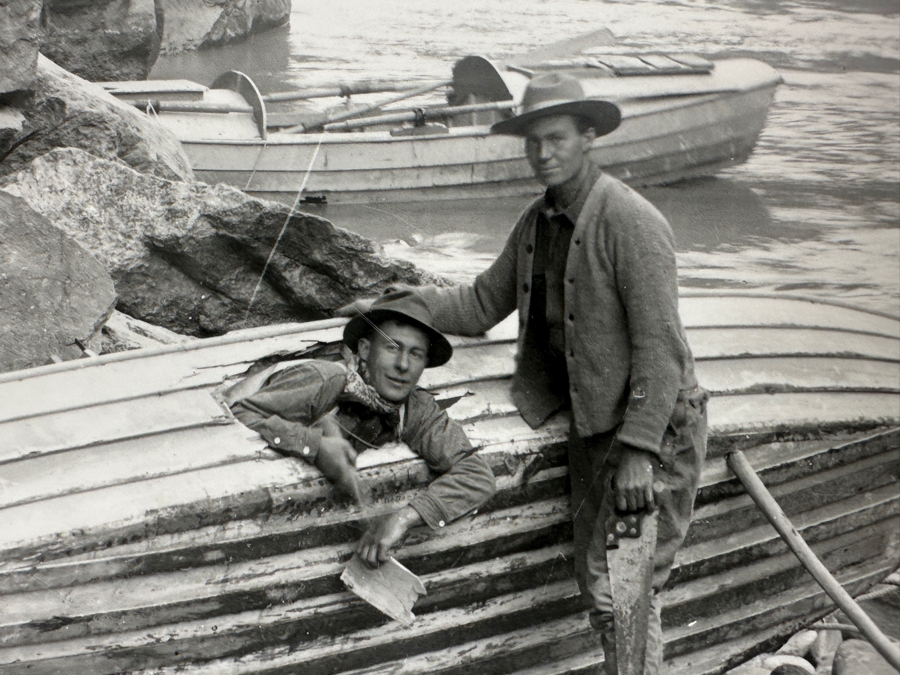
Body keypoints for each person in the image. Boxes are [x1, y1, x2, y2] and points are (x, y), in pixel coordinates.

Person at [339, 72, 708, 674]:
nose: (544, 153)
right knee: (605, 586)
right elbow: (482, 303)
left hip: (654, 436)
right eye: (533, 141)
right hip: (597, 432)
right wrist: (397, 306)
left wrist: (640, 450)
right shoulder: (538, 222)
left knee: (624, 591)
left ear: (588, 136)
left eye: (557, 137)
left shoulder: (633, 223)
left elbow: (661, 352)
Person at [229, 290, 496, 568]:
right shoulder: (324, 380)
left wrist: (404, 517)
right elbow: (241, 412)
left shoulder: (414, 407)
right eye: (392, 347)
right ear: (366, 350)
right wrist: (315, 445)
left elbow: (477, 475)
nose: (403, 365)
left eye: (415, 354)